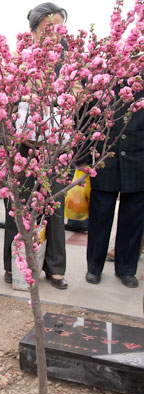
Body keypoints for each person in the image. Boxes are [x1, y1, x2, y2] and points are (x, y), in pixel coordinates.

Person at [3, 2, 69, 290]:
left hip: (56, 146)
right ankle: (13, 263)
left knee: (53, 205)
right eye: (47, 29)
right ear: (32, 32)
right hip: (23, 146)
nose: (54, 36)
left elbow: (80, 94)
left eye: (59, 29)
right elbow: (6, 97)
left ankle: (54, 267)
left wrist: (63, 97)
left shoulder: (69, 60)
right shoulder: (17, 60)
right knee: (17, 206)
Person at [85, 78, 144, 289]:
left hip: (138, 161)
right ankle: (94, 266)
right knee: (100, 215)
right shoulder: (104, 79)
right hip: (105, 160)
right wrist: (83, 158)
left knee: (133, 219)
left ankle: (126, 268)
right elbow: (85, 118)